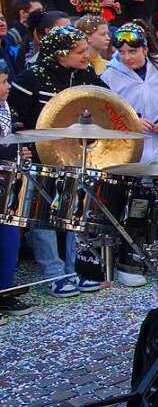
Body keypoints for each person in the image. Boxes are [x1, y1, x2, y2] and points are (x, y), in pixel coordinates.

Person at [9, 26, 106, 297]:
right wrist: (24, 148)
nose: (87, 55)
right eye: (79, 51)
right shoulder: (31, 77)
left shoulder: (85, 74)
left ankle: (75, 269)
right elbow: (15, 115)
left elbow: (107, 101)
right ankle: (53, 274)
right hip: (40, 155)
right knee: (43, 216)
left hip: (74, 156)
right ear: (60, 54)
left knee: (74, 212)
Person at [101, 22, 158, 165]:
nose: (127, 57)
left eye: (132, 51)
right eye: (122, 52)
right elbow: (104, 111)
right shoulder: (109, 77)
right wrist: (132, 121)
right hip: (127, 150)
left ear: (145, 49)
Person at [0, 60, 32, 320]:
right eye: (2, 82)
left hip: (7, 180)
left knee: (10, 236)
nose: (8, 86)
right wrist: (13, 149)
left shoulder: (7, 108)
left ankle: (5, 289)